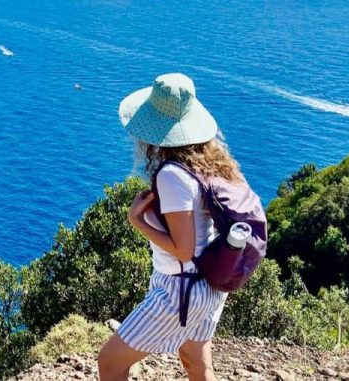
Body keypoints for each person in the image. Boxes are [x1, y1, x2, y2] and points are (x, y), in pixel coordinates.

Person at [97, 73, 243, 381]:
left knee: (110, 363)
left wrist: (136, 220)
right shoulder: (206, 164)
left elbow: (183, 248)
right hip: (209, 284)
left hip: (180, 290)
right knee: (196, 363)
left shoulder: (172, 176)